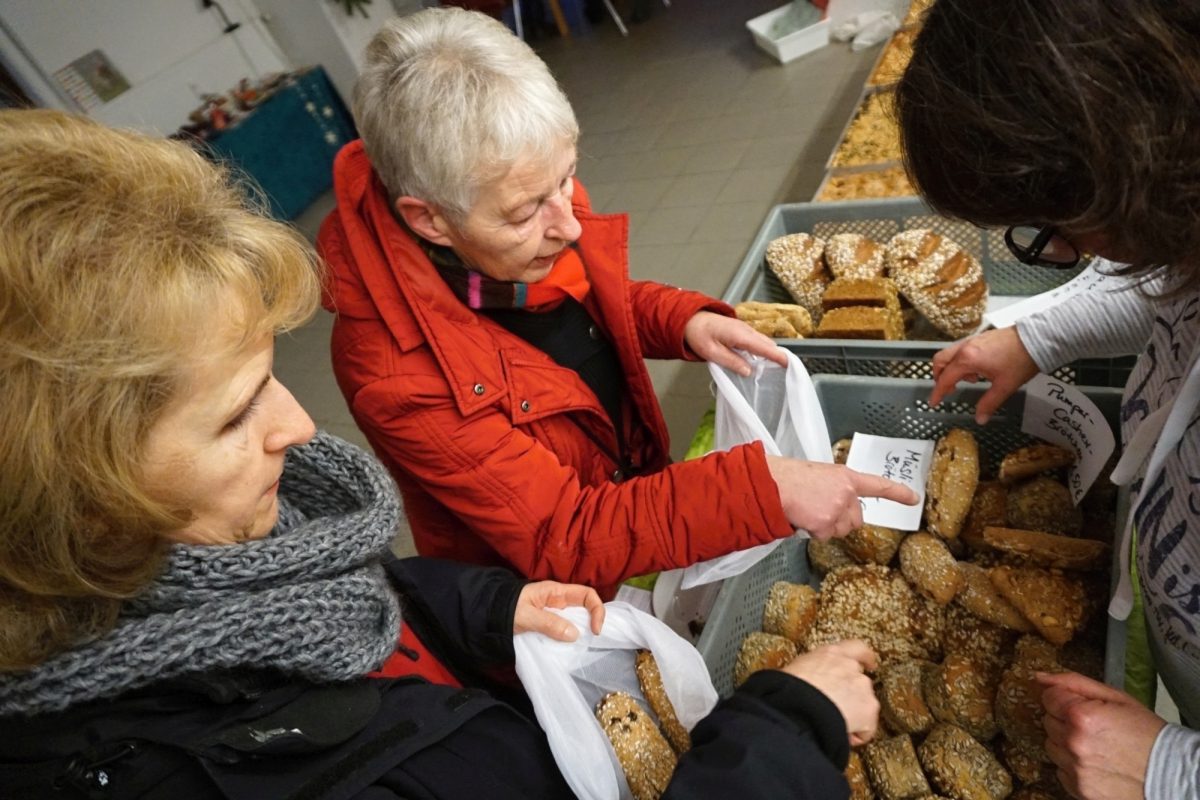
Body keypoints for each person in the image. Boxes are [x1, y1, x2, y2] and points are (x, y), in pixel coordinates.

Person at [0, 109, 882, 799]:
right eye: (234, 417)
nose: (302, 428)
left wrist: (489, 608)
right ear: (77, 495)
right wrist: (786, 727)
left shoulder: (236, 542)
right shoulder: (196, 766)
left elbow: (369, 596)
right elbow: (564, 527)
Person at [318, 7, 916, 597]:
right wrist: (761, 489)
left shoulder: (518, 220)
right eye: (527, 211)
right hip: (556, 595)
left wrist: (681, 320)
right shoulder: (395, 375)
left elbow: (585, 303)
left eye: (567, 177)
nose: (568, 224)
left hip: (631, 502)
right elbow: (565, 534)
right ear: (430, 222)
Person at [894, 2, 1200, 798]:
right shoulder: (1178, 228)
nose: (1062, 254)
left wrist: (1170, 770)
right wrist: (1035, 341)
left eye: (1061, 225)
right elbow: (1167, 281)